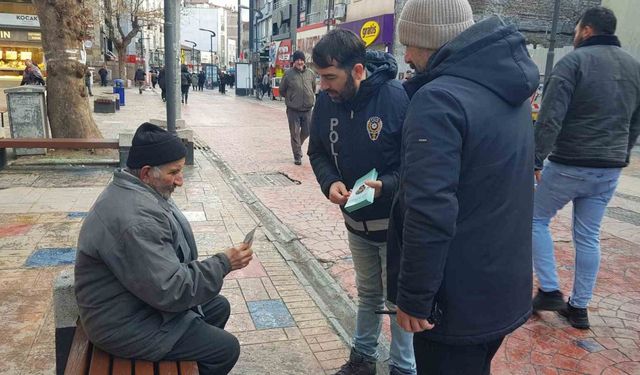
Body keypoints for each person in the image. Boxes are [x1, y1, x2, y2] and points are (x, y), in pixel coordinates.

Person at [387, 1, 540, 373]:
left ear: (433, 40)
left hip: (454, 304)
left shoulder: (438, 99)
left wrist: (414, 299)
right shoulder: (507, 87)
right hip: (499, 289)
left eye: (412, 44)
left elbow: (429, 210)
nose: (406, 55)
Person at [75, 123, 253, 375]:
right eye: (174, 172)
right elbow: (171, 289)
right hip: (122, 323)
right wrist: (224, 262)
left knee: (218, 306)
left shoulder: (136, 191)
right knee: (225, 349)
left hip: (134, 304)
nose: (180, 180)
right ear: (147, 173)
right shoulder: (136, 219)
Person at [308, 29, 414, 375]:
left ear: (357, 70)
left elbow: (413, 164)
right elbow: (318, 150)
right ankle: (363, 359)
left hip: (394, 226)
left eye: (329, 78)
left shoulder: (395, 98)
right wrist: (330, 181)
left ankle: (402, 367)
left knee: (399, 301)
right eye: (320, 78)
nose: (323, 86)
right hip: (355, 224)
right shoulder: (326, 101)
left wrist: (385, 185)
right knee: (368, 294)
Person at [531, 7, 640, 329]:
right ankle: (579, 307)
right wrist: (623, 153)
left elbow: (550, 118)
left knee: (535, 219)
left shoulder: (572, 63)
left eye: (577, 29)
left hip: (569, 163)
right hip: (609, 167)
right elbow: (635, 121)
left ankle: (550, 289)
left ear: (587, 30)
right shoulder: (634, 67)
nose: (575, 35)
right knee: (588, 236)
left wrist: (535, 159)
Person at [280, 50, 316, 165]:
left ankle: (297, 146)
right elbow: (282, 90)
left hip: (307, 109)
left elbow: (313, 88)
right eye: (297, 60)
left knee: (307, 131)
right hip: (293, 110)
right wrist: (291, 98)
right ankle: (297, 156)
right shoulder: (288, 74)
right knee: (294, 133)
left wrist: (310, 97)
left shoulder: (310, 73)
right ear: (294, 62)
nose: (300, 62)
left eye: (301, 60)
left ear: (304, 61)